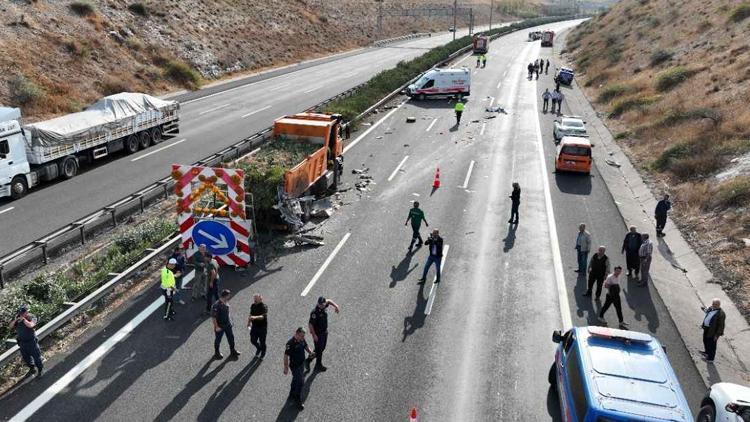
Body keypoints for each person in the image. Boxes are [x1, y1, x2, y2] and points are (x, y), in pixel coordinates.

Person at [307, 296, 340, 372]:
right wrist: (314, 335)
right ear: (318, 304)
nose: (322, 305)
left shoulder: (324, 305)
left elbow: (329, 301)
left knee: (322, 348)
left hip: (324, 332)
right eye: (321, 304)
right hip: (318, 334)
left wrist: (336, 306)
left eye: (323, 304)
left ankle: (308, 360)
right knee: (319, 350)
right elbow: (310, 325)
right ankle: (318, 365)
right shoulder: (315, 313)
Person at [284, 327, 313, 410]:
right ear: (296, 334)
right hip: (295, 366)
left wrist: (310, 352)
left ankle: (292, 393)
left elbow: (306, 346)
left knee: (295, 379)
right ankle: (297, 399)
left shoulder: (302, 340)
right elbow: (286, 356)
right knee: (300, 382)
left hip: (301, 364)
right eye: (301, 336)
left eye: (304, 336)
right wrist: (286, 367)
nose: (303, 338)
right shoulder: (290, 344)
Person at [10, 305, 43, 377]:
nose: (21, 314)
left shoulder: (32, 317)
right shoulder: (17, 318)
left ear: (27, 312)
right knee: (26, 358)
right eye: (20, 313)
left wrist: (24, 320)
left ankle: (40, 370)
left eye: (22, 313)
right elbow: (10, 326)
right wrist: (16, 320)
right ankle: (32, 369)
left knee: (37, 357)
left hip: (31, 342)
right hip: (22, 342)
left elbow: (31, 325)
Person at [212, 289, 241, 359]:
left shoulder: (226, 302)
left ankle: (232, 350)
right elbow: (214, 318)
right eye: (228, 296)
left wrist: (230, 320)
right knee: (218, 340)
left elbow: (228, 312)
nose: (229, 297)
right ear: (225, 296)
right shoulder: (216, 305)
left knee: (231, 338)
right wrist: (216, 327)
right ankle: (216, 352)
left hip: (227, 324)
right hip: (220, 326)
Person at [700, 298, 726, 363]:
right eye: (713, 304)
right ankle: (707, 353)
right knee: (705, 340)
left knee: (712, 345)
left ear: (719, 305)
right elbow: (708, 312)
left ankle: (710, 359)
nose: (714, 305)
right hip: (707, 328)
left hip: (713, 331)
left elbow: (721, 326)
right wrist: (704, 309)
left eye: (716, 304)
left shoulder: (721, 314)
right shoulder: (711, 308)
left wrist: (717, 335)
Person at [247, 293, 268, 359]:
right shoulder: (253, 305)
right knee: (253, 340)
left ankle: (263, 352)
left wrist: (254, 317)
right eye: (254, 298)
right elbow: (250, 314)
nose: (255, 300)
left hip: (262, 327)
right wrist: (248, 322)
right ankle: (259, 348)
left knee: (262, 341)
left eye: (256, 299)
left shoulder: (264, 307)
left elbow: (262, 317)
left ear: (260, 299)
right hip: (254, 327)